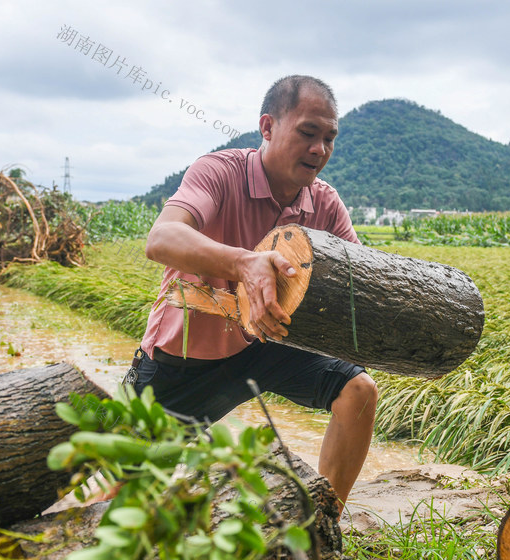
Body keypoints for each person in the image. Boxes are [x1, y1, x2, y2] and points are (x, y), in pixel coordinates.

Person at [128, 74, 377, 507]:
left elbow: (363, 278)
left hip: (268, 345)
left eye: (329, 138)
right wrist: (244, 262)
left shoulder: (325, 203)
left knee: (358, 392)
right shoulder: (218, 173)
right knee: (126, 484)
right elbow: (161, 239)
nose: (320, 149)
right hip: (186, 355)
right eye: (307, 133)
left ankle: (324, 527)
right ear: (267, 127)